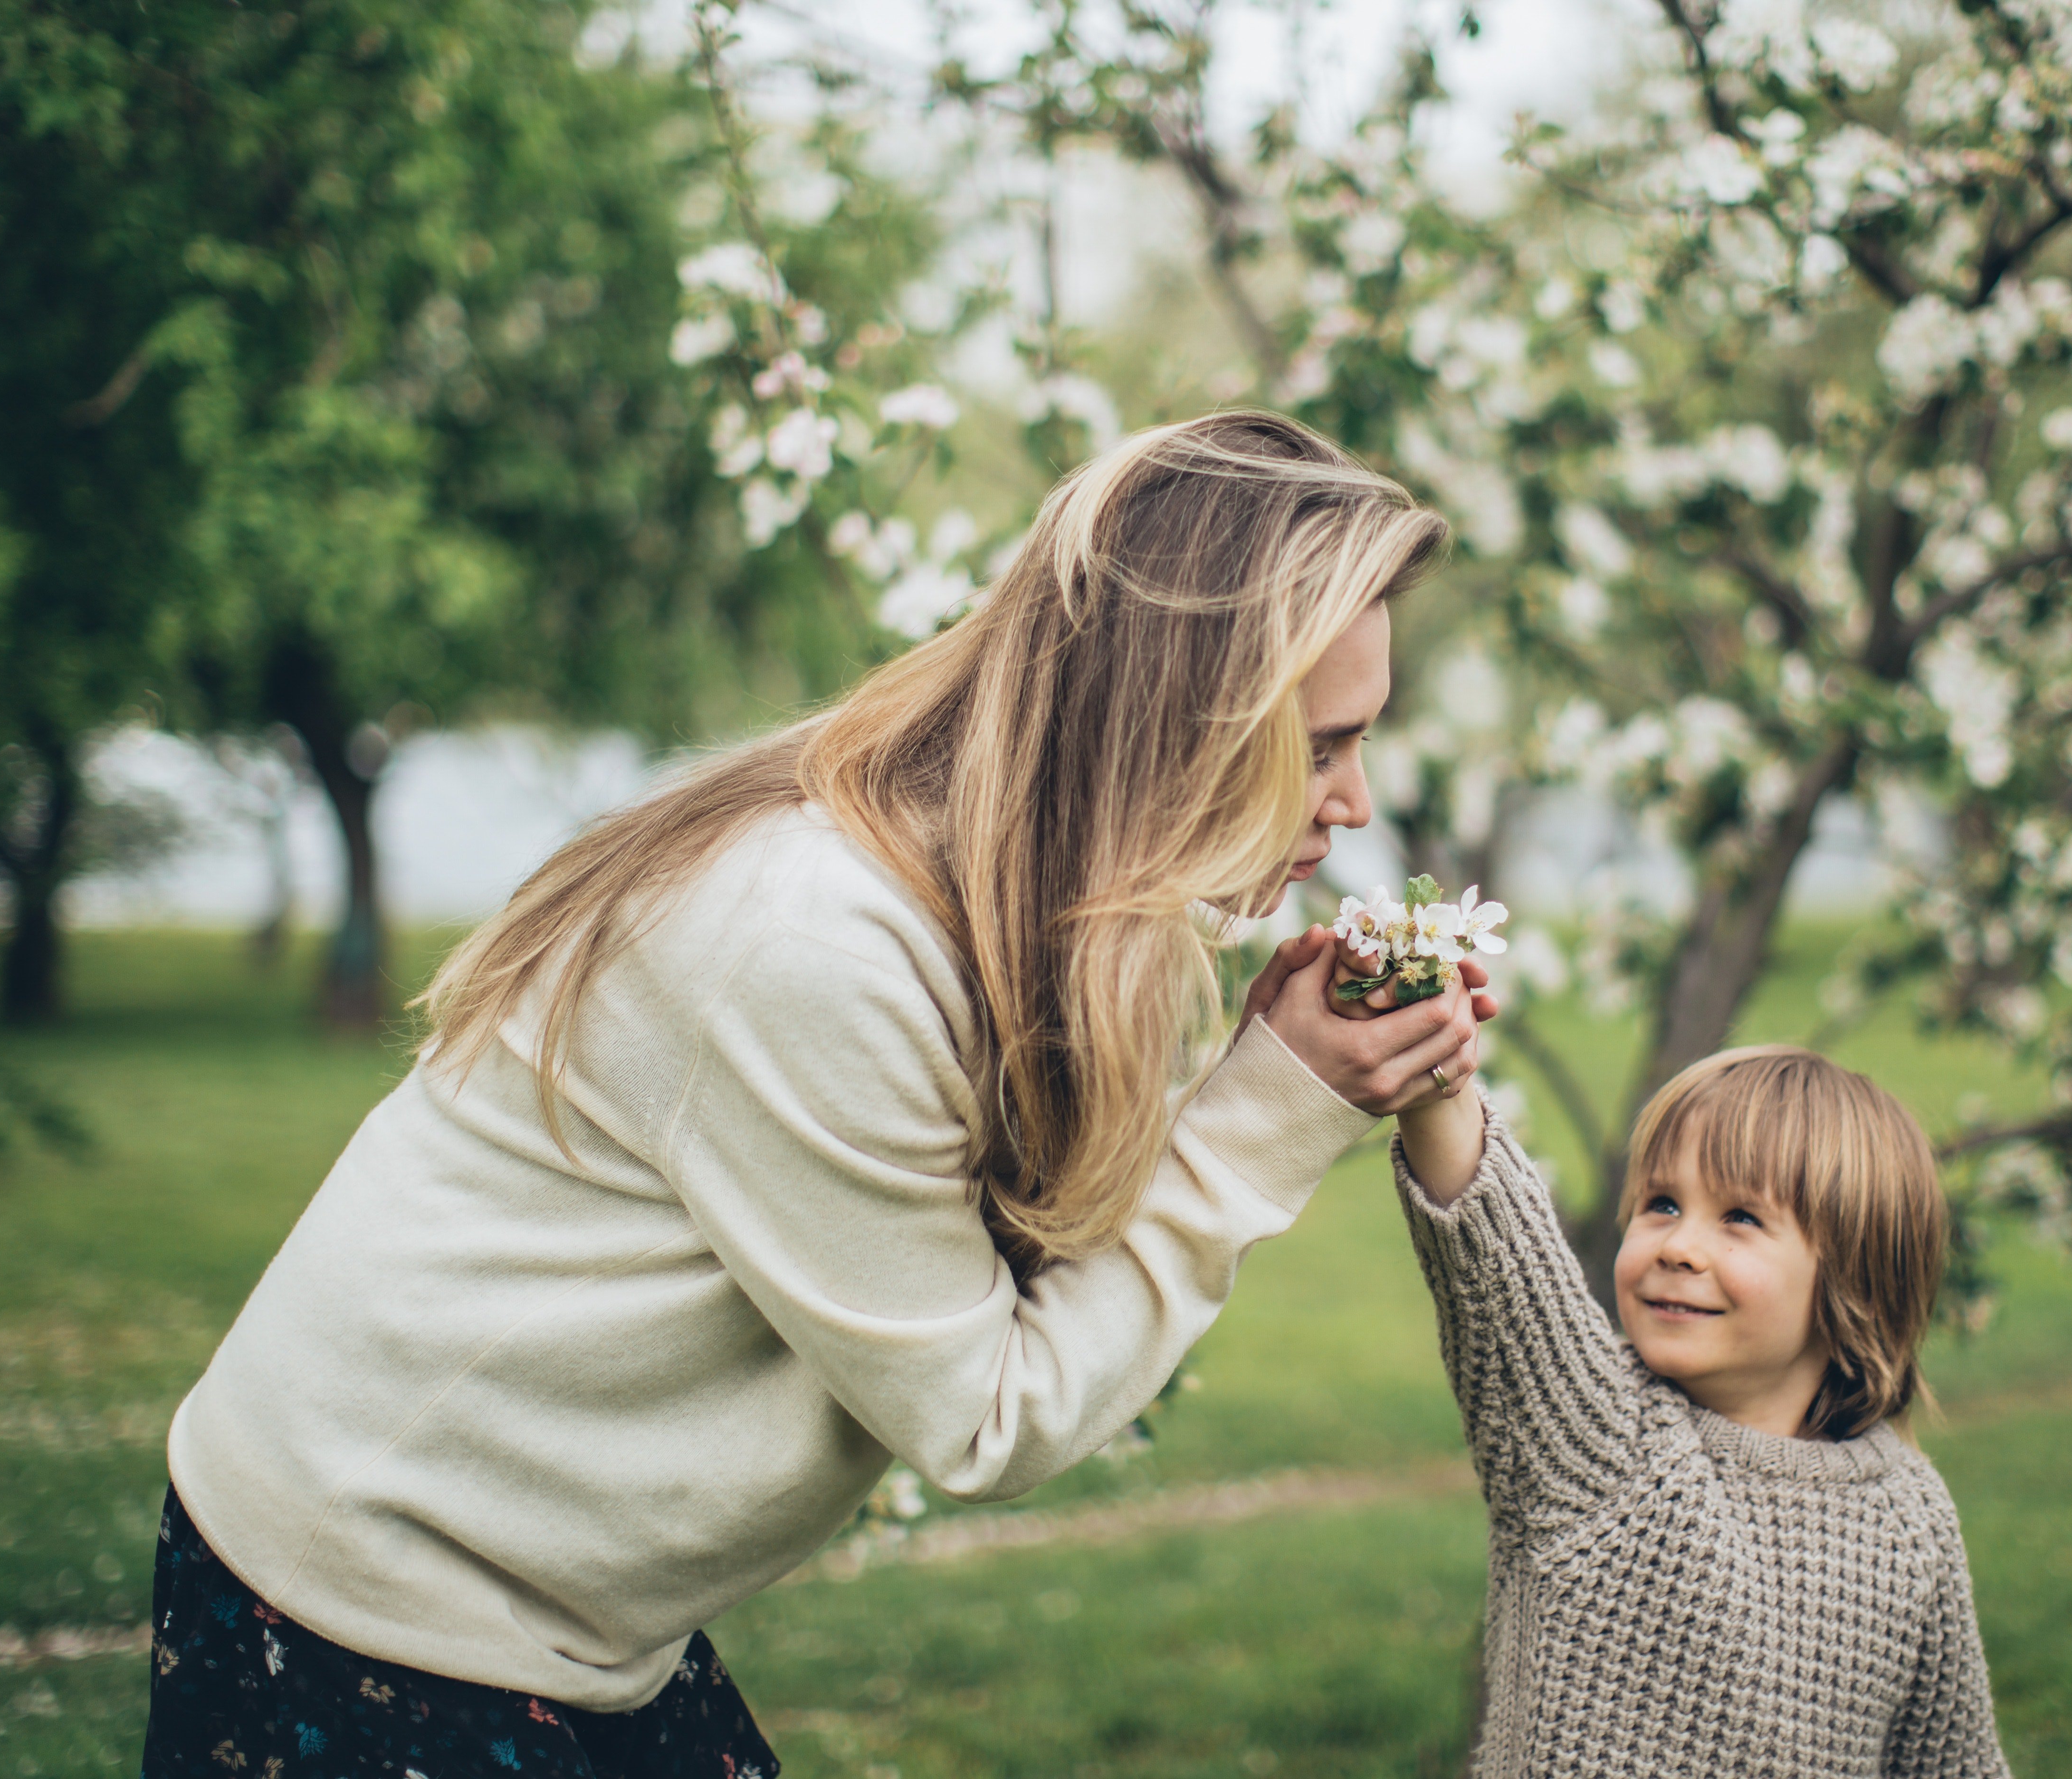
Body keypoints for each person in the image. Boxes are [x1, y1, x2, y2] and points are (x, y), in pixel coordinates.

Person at [142, 411, 1498, 1777]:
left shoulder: (1011, 895)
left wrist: (1253, 1079)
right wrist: (1267, 1117)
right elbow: (984, 1416)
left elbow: (1034, 1256)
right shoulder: (814, 940)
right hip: (372, 1604)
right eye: (1321, 746)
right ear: (1176, 728)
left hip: (559, 1620)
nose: (1357, 804)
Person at [1383, 1041, 2010, 1779]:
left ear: (1855, 1280)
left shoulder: (1910, 1517)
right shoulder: (1596, 1439)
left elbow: (1951, 1763)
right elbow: (1495, 1253)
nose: (1679, 1245)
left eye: (1739, 1216)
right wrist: (1431, 1061)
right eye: (1661, 1203)